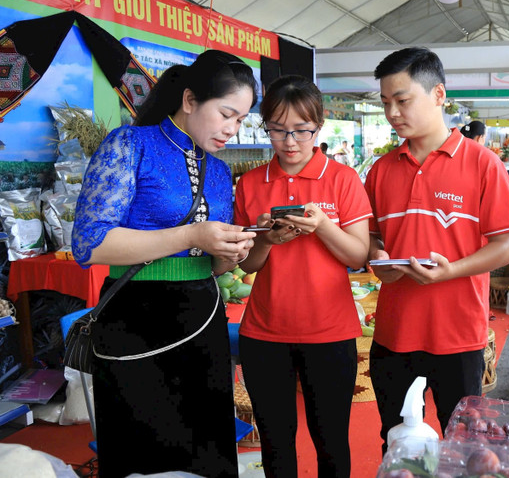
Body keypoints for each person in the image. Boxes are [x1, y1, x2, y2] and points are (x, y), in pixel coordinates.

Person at [71, 49, 259, 478]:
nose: (232, 129)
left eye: (241, 121)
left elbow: (208, 265)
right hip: (136, 318)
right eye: (227, 114)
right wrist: (192, 235)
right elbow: (88, 243)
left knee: (205, 443)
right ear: (190, 99)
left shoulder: (217, 170)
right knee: (143, 445)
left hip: (202, 316)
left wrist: (229, 254)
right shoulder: (129, 145)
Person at [365, 47, 509, 451]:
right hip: (394, 334)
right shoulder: (382, 170)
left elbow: (505, 247)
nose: (393, 113)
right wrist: (378, 258)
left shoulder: (483, 164)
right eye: (386, 103)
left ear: (438, 95)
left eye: (402, 100)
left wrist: (450, 270)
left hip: (458, 337)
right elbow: (373, 237)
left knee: (463, 445)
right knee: (396, 442)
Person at [233, 75, 372, 477]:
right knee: (276, 444)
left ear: (319, 127)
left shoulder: (343, 179)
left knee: (331, 442)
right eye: (277, 130)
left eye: (301, 131)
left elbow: (358, 255)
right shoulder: (251, 183)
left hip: (330, 332)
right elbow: (247, 265)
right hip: (264, 334)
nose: (290, 142)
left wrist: (324, 227)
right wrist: (266, 238)